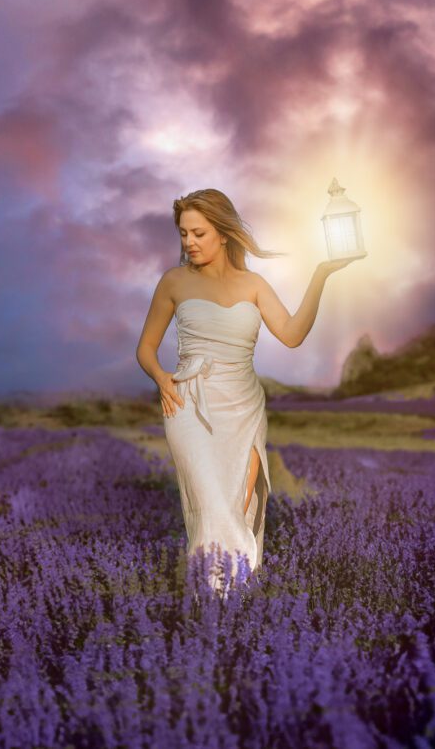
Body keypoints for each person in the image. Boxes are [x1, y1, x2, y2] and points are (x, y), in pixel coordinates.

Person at [136, 188, 363, 596]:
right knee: (212, 505)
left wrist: (321, 274)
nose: (189, 242)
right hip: (190, 404)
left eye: (199, 233)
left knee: (238, 505)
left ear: (223, 233)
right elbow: (145, 348)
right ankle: (214, 604)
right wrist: (161, 377)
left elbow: (292, 335)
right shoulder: (174, 281)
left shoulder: (253, 284)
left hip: (244, 407)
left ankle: (229, 602)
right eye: (184, 233)